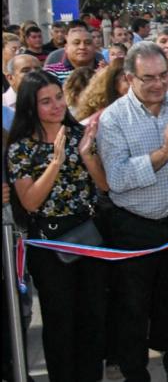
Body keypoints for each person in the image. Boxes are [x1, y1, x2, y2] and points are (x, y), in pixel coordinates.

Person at [96, 42, 168, 381]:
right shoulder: (114, 118)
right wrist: (165, 152)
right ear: (129, 78)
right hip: (134, 228)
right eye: (148, 78)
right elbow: (117, 179)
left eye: (163, 75)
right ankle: (136, 374)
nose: (158, 84)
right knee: (133, 309)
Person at [6, 70, 109, 382]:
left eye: (59, 97)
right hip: (49, 243)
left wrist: (86, 155)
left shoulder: (81, 135)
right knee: (60, 320)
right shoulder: (21, 148)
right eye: (46, 101)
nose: (56, 106)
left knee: (92, 317)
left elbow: (104, 186)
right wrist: (55, 162)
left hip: (88, 236)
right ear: (31, 106)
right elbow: (30, 202)